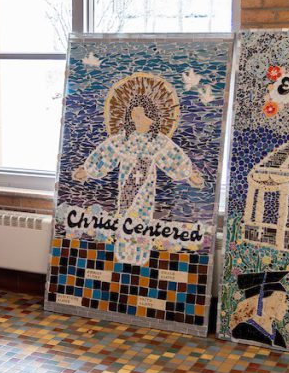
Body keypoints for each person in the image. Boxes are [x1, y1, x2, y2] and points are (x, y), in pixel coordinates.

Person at [72, 73, 203, 265]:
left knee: (142, 221)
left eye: (141, 116)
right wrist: (87, 170)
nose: (137, 120)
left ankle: (140, 256)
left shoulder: (158, 141)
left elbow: (174, 158)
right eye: (134, 116)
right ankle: (124, 255)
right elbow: (105, 154)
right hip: (126, 190)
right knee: (125, 218)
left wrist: (189, 174)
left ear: (151, 117)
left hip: (145, 194)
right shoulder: (123, 139)